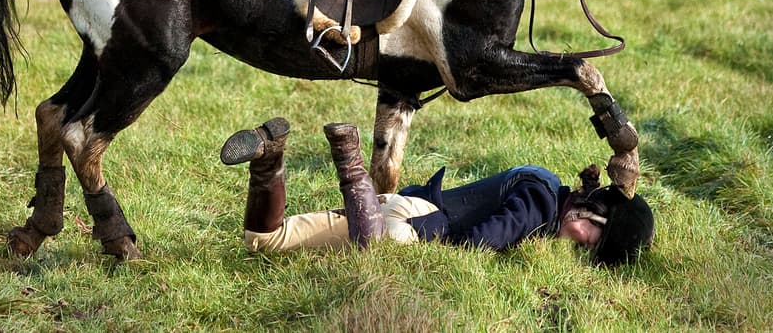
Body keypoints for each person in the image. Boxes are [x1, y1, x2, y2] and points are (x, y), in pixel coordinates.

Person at [220, 117, 654, 265]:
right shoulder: (541, 204)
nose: (577, 247)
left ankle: (270, 153)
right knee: (378, 256)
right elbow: (483, 239)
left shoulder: (545, 181)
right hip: (411, 228)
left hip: (395, 206)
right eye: (588, 243)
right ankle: (350, 161)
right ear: (591, 214)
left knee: (265, 240)